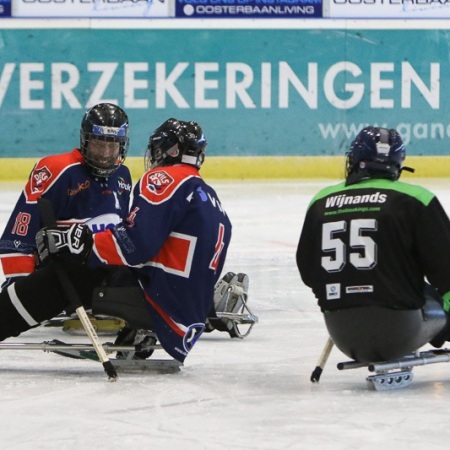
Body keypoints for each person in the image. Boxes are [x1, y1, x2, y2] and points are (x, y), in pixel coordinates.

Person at [33, 118, 233, 363]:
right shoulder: (213, 200)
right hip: (190, 316)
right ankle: (148, 326)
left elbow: (134, 246)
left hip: (158, 305)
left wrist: (79, 243)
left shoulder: (164, 179)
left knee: (76, 271)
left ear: (169, 150)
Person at [296, 126, 450, 363]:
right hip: (400, 331)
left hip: (343, 333)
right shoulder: (417, 200)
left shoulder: (321, 201)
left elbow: (308, 272)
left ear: (354, 160)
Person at [0, 102, 132, 329]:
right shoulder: (54, 169)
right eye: (99, 144)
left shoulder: (123, 175)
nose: (105, 154)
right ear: (85, 140)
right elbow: (18, 234)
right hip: (57, 279)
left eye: (113, 146)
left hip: (101, 279)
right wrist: (20, 288)